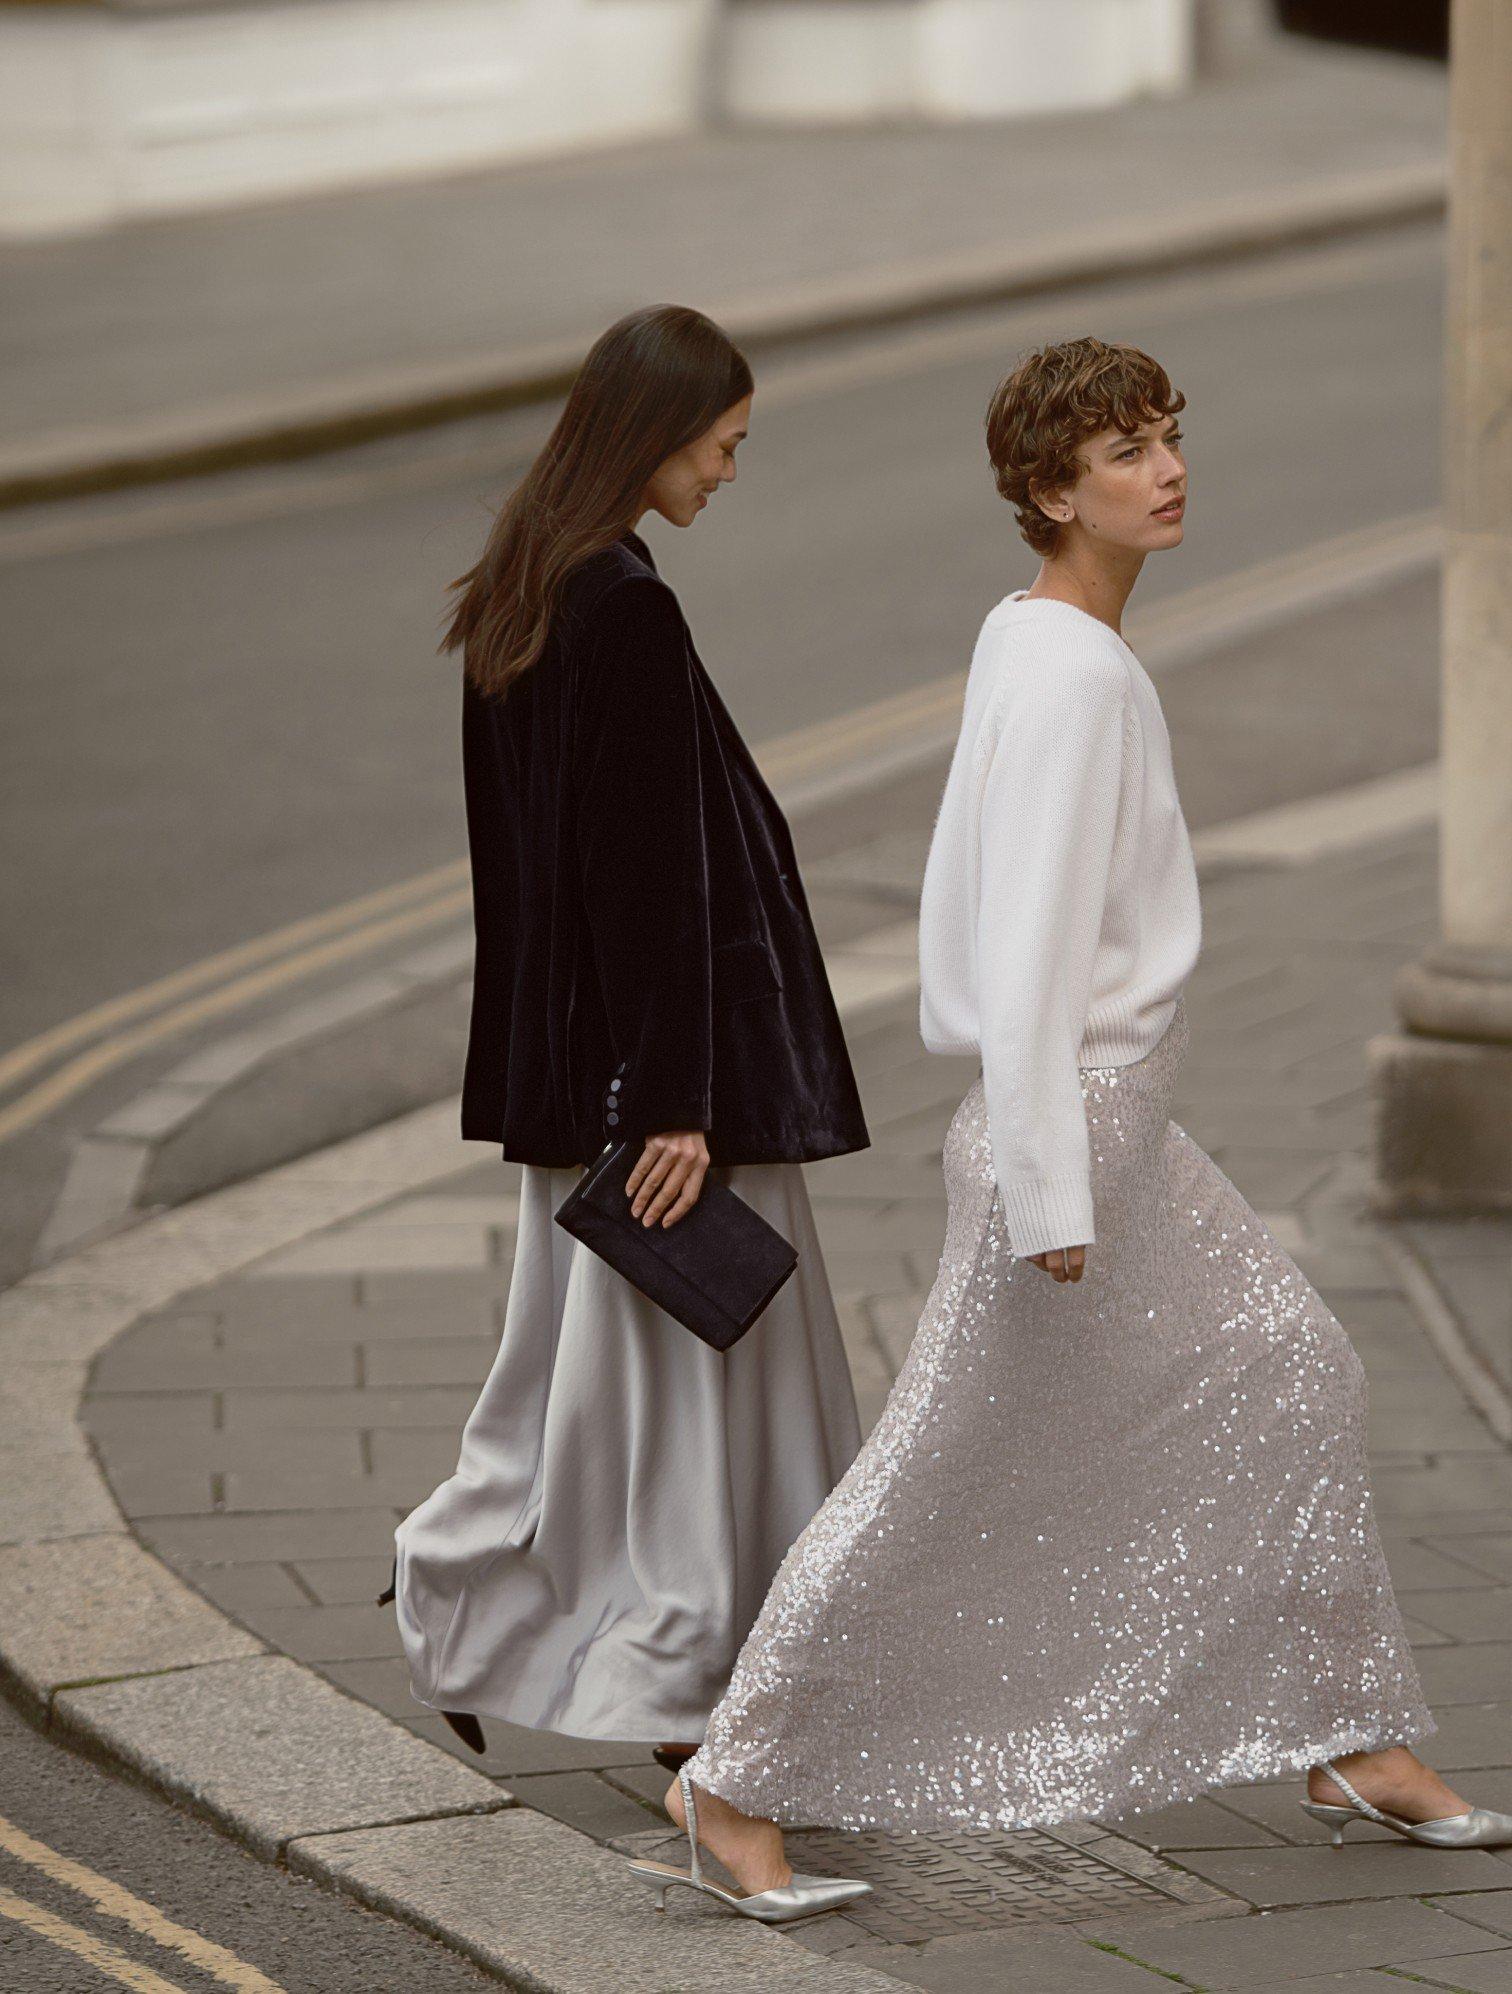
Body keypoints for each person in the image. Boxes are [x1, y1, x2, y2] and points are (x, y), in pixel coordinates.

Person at [638, 335, 1510, 1914]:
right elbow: (1029, 950)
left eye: (1169, 436)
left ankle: (1347, 1730)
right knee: (927, 1474)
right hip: (1073, 1132)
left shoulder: (1036, 637)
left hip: (1112, 1128)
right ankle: (732, 1780)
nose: (1164, 469)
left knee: (1294, 1363)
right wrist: (1050, 1183)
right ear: (1048, 491)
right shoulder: (1075, 674)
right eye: (1121, 451)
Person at [382, 309, 874, 1853]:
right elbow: (644, 876)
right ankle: (696, 1685)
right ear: (653, 429)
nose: (733, 464)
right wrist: (677, 1100)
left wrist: (597, 1083)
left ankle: (488, 1610)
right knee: (681, 1404)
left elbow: (535, 885)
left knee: (573, 1393)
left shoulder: (526, 587)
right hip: (664, 1095)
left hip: (568, 1086)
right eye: (723, 437)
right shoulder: (626, 611)